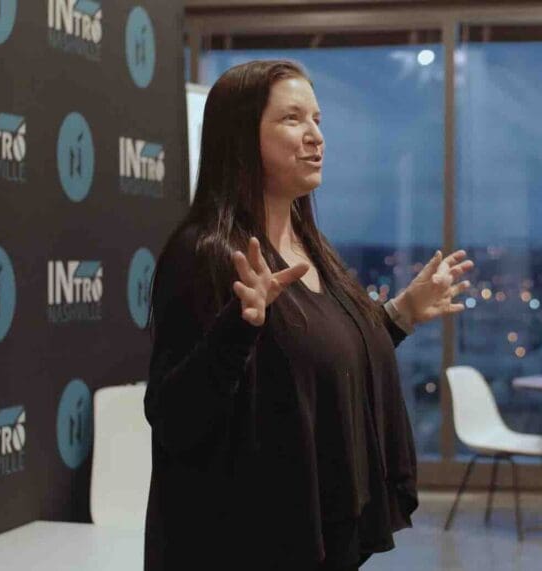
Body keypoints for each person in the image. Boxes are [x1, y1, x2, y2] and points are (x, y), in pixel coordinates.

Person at [143, 60, 474, 570]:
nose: (316, 136)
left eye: (318, 119)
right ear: (240, 136)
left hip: (319, 536)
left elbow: (317, 361)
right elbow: (173, 417)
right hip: (242, 545)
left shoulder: (311, 247)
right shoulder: (205, 254)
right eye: (292, 119)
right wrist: (237, 327)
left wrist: (401, 314)